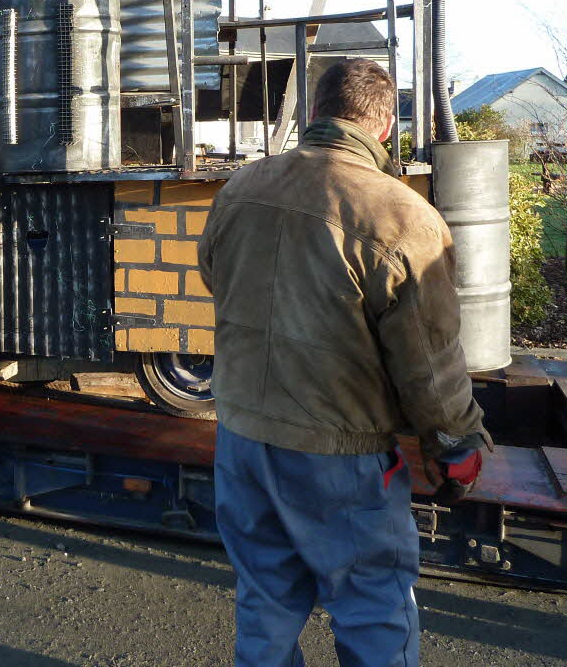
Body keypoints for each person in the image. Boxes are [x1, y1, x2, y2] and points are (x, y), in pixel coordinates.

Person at [197, 58, 489, 667]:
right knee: (372, 606)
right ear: (384, 126)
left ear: (312, 114)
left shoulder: (240, 189)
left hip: (244, 438)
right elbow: (429, 362)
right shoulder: (403, 217)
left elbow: (213, 278)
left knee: (264, 602)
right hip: (340, 455)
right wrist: (455, 444)